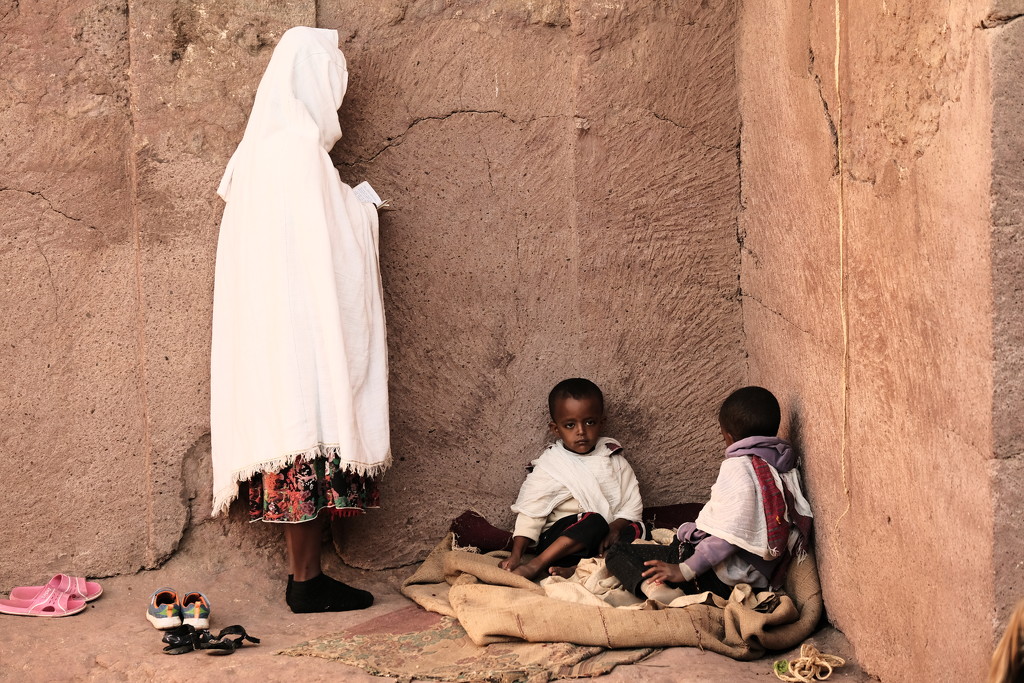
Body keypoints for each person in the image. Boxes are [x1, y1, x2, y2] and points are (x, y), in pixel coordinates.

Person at [209, 27, 390, 613]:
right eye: (331, 84)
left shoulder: (255, 157)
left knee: (293, 445)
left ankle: (306, 576)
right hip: (304, 338)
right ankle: (307, 581)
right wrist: (361, 208)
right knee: (307, 442)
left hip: (271, 339)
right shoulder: (296, 156)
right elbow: (329, 236)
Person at [606, 386, 812, 602]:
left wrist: (685, 570)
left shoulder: (740, 468)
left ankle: (654, 590)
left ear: (729, 437)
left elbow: (729, 534)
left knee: (618, 553)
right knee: (687, 531)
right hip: (759, 577)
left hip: (721, 576)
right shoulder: (781, 467)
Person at [500, 378, 646, 580]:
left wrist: (615, 527)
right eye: (570, 425)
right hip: (558, 545)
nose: (581, 432)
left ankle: (583, 569)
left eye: (590, 422)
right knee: (594, 520)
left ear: (601, 423)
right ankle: (536, 565)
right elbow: (530, 512)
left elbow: (632, 506)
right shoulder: (551, 464)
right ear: (556, 429)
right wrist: (516, 556)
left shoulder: (614, 460)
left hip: (601, 542)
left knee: (638, 529)